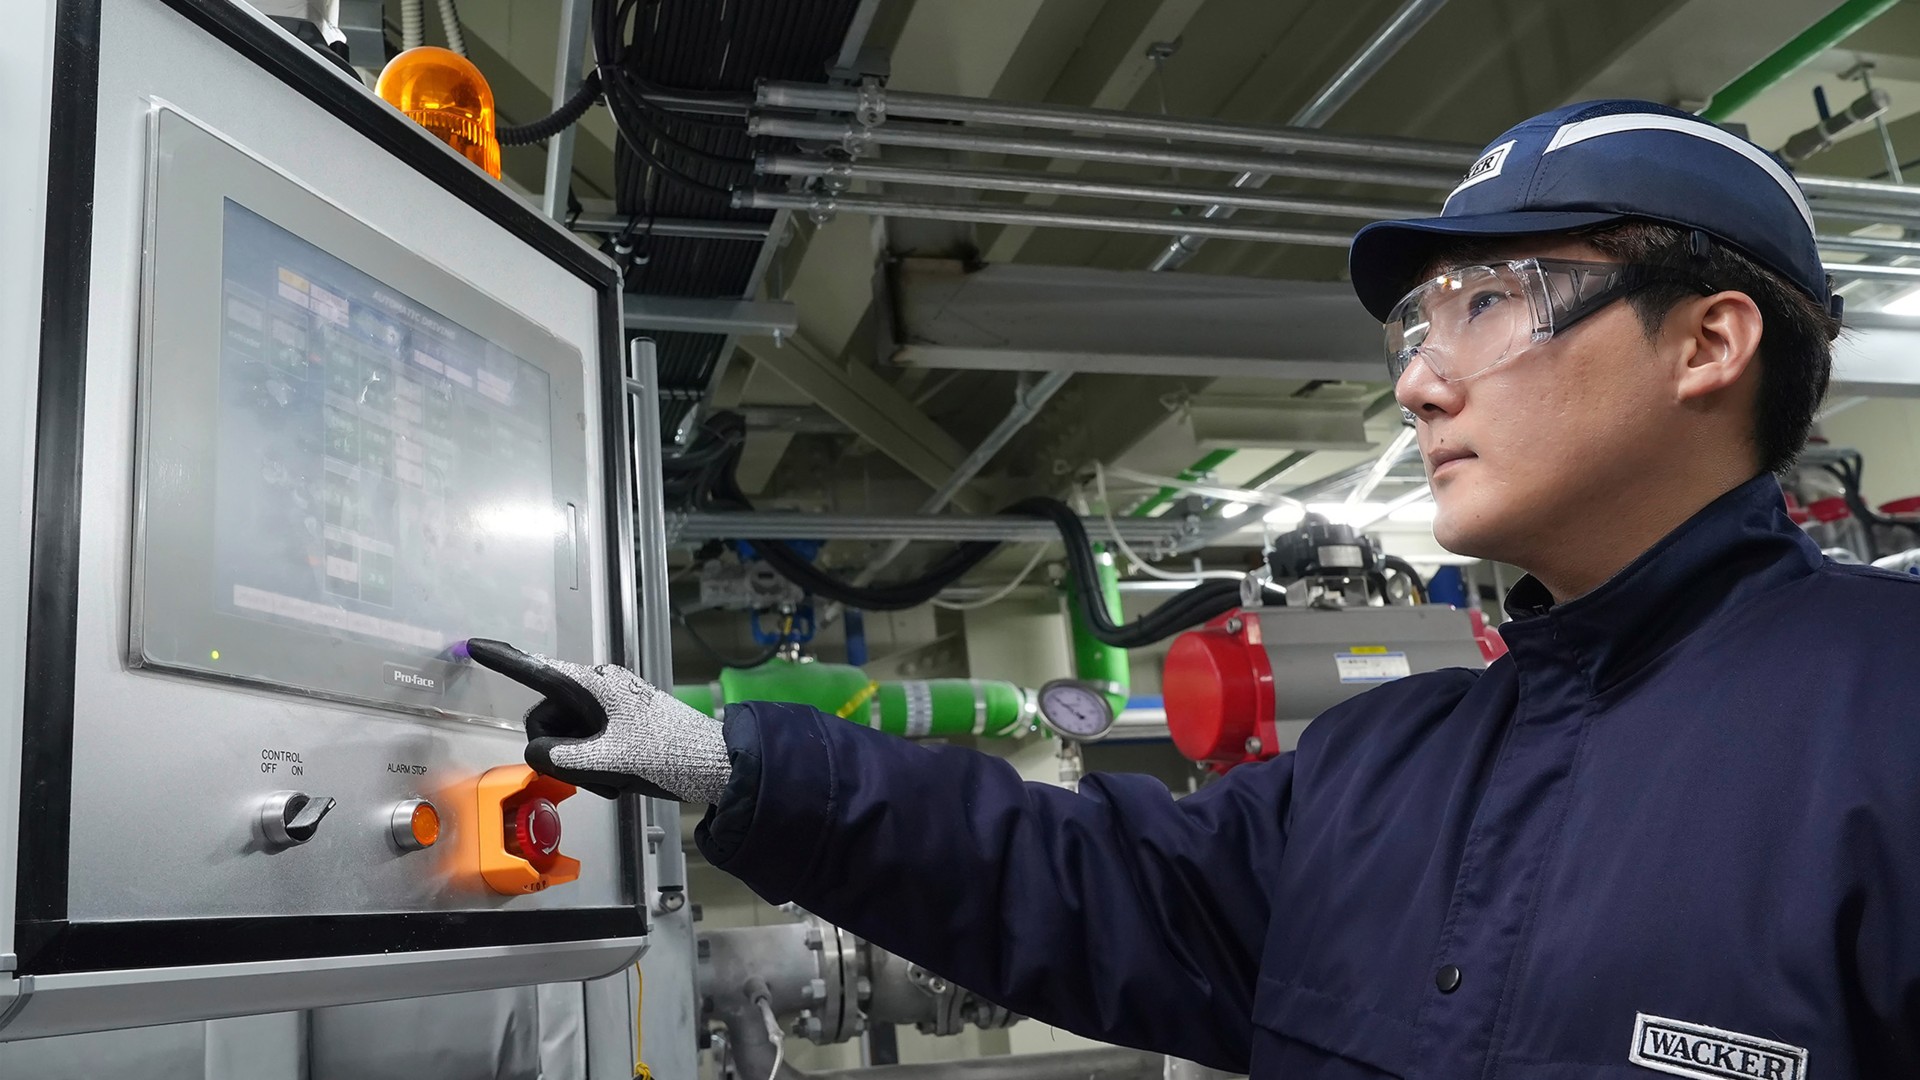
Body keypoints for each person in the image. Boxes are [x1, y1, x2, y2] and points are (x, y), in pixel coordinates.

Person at [468, 100, 1920, 1079]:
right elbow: (1085, 883)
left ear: (1708, 343)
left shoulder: (1891, 717)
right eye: (1421, 322)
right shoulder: (1382, 766)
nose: (1421, 376)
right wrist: (729, 764)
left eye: (1493, 300)